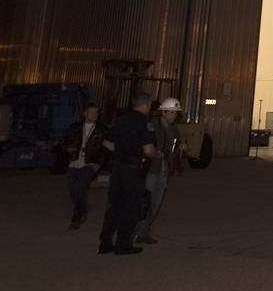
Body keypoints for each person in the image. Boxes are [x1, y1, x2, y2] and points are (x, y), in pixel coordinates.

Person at [98, 92, 157, 255]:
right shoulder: (144, 122)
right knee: (130, 206)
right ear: (145, 105)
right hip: (134, 170)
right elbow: (148, 149)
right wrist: (156, 154)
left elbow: (106, 142)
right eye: (149, 105)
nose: (150, 108)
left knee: (113, 206)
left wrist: (121, 151)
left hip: (118, 168)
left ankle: (105, 243)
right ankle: (123, 245)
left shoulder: (121, 120)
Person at [135, 97, 187, 244]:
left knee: (155, 203)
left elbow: (177, 145)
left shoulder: (173, 129)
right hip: (151, 168)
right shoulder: (152, 126)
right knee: (145, 201)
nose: (174, 116)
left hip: (164, 168)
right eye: (172, 112)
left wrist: (181, 148)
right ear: (163, 112)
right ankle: (137, 230)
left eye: (176, 113)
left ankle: (143, 231)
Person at [61, 103, 108, 229]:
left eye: (96, 112)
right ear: (85, 113)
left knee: (80, 186)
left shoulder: (102, 129)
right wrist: (68, 148)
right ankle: (82, 206)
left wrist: (99, 164)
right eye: (92, 112)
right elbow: (64, 141)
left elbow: (106, 150)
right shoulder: (75, 127)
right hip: (74, 161)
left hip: (90, 163)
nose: (94, 115)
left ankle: (77, 217)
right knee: (72, 188)